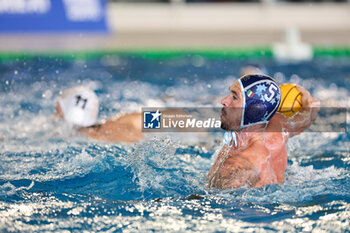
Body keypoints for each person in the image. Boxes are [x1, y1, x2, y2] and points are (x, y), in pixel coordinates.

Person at [206, 74, 320, 189]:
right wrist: (309, 105)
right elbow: (305, 119)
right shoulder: (278, 126)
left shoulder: (237, 166)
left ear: (254, 111)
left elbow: (217, 202)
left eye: (234, 97)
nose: (224, 100)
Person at [55, 86, 144, 143]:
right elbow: (156, 117)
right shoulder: (125, 120)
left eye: (57, 111)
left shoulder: (70, 140)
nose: (54, 115)